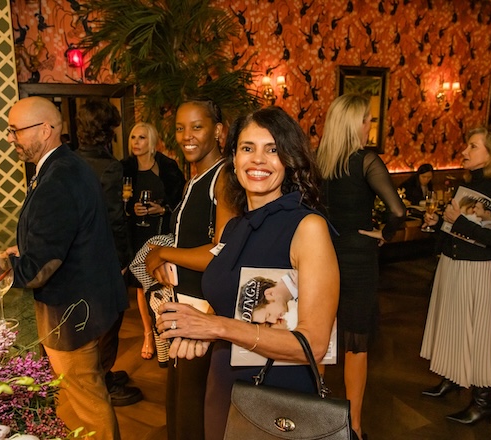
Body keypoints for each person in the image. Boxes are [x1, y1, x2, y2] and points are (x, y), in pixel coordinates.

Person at [0, 97, 127, 439]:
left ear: (46, 130)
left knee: (88, 404)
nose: (10, 138)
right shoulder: (67, 166)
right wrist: (26, 247)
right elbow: (73, 232)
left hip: (73, 311)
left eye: (15, 130)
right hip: (92, 301)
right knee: (79, 397)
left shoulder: (57, 179)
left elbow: (36, 271)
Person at [155, 106, 339, 440]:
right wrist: (197, 328)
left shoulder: (306, 227)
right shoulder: (236, 227)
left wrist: (215, 327)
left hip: (278, 395)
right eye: (247, 148)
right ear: (234, 158)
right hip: (224, 382)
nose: (258, 160)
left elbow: (313, 343)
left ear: (289, 158)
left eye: (272, 149)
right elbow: (234, 307)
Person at [144, 98, 237, 440]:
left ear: (219, 131)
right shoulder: (193, 180)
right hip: (183, 306)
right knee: (181, 409)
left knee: (196, 414)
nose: (187, 136)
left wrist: (164, 251)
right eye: (181, 128)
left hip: (204, 310)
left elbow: (220, 253)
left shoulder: (224, 178)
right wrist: (163, 258)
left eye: (197, 127)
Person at [315, 93, 405, 440]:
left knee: (319, 333)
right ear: (356, 123)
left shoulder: (317, 162)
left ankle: (316, 412)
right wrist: (386, 233)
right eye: (368, 118)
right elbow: (398, 210)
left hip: (322, 253)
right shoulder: (366, 160)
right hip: (356, 257)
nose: (371, 124)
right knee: (356, 342)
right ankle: (353, 426)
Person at [420, 125, 491, 425]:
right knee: (448, 324)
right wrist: (438, 222)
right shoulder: (469, 183)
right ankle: (452, 376)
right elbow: (455, 228)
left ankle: (483, 400)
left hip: (475, 269)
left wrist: (459, 221)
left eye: (472, 146)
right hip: (451, 263)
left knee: (475, 334)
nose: (464, 151)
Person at [75, 98, 143, 407]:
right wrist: (124, 260)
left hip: (79, 256)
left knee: (91, 318)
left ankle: (100, 374)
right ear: (108, 131)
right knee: (111, 317)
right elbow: (115, 218)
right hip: (105, 256)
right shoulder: (109, 167)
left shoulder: (71, 161)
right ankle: (102, 381)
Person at [121, 122, 185, 361]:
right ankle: (149, 334)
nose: (136, 143)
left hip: (158, 234)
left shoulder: (167, 167)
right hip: (135, 234)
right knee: (140, 286)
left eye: (142, 138)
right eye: (133, 138)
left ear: (152, 141)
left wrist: (163, 208)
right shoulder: (126, 169)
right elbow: (120, 199)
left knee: (161, 284)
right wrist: (130, 209)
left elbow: (179, 201)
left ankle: (165, 331)